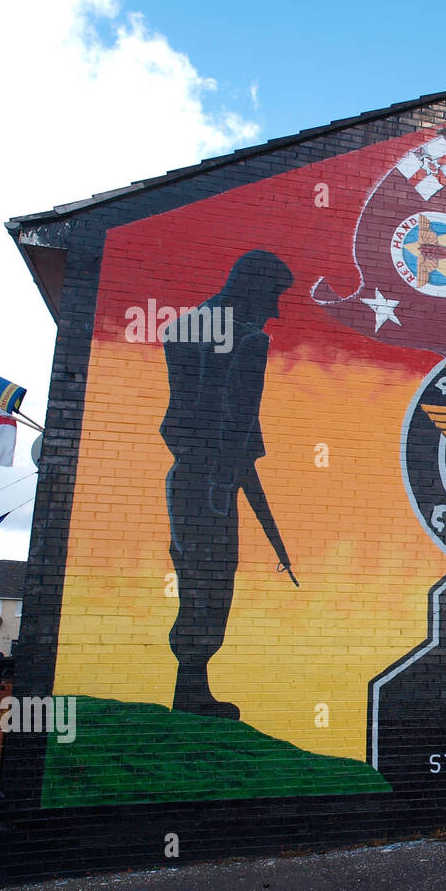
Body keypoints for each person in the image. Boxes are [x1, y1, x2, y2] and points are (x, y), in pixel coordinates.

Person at [161, 251, 294, 718]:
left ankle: (189, 689)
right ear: (254, 288)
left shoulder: (182, 329)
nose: (276, 309)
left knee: (194, 580)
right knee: (212, 584)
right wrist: (226, 478)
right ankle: (192, 692)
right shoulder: (248, 342)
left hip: (188, 479)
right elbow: (233, 418)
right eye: (274, 295)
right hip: (214, 483)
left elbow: (193, 416)